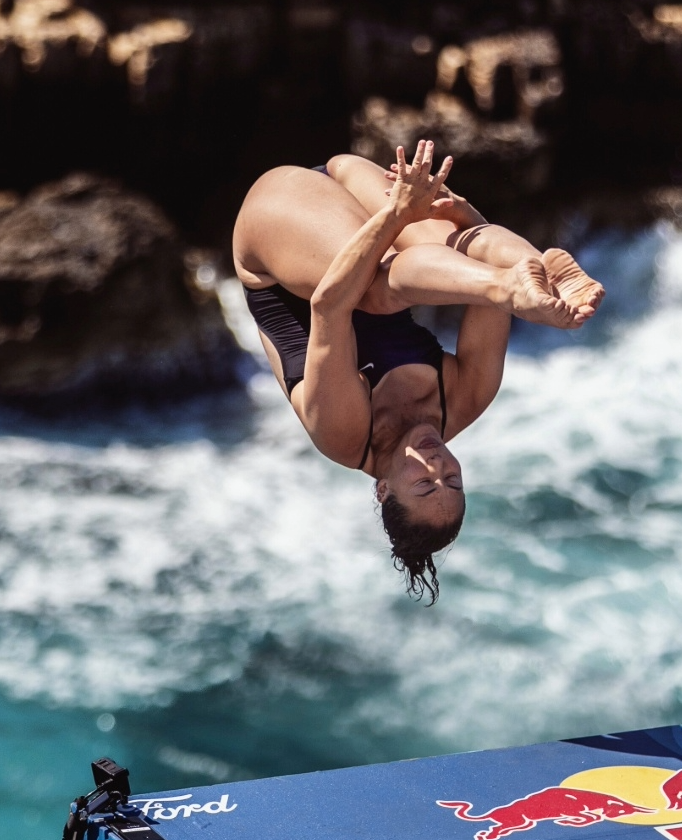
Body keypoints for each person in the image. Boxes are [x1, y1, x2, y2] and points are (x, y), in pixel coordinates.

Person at [231, 140, 604, 602]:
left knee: (374, 289)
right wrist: (467, 219)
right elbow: (483, 274)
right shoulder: (466, 399)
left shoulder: (343, 433)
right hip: (345, 182)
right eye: (453, 479)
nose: (439, 464)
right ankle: (548, 268)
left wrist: (396, 215)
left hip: (277, 224)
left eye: (426, 483)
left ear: (384, 490)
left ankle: (522, 278)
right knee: (474, 255)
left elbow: (330, 304)